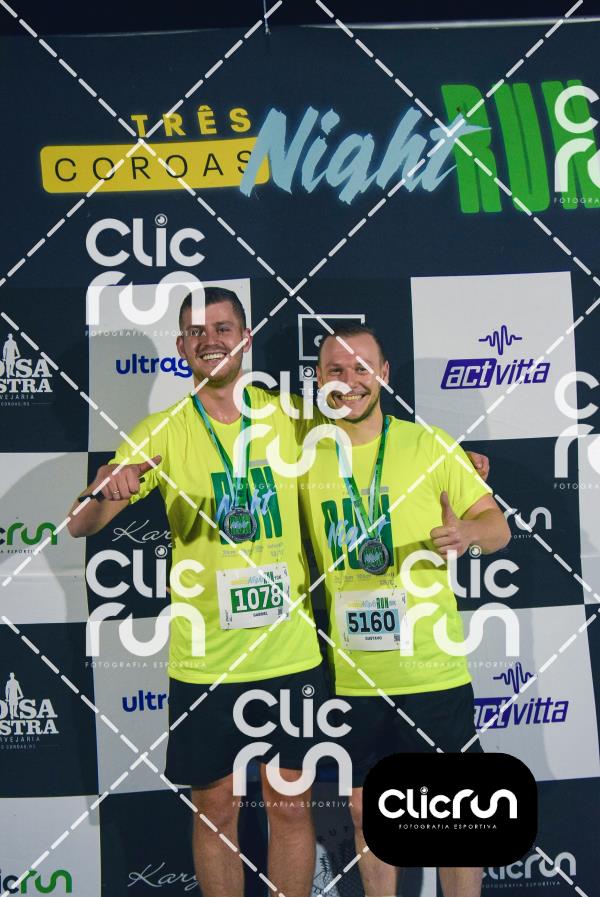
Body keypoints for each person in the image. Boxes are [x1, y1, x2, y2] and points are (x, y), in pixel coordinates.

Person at [67, 287, 328, 897]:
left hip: (290, 652)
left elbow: (370, 444)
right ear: (182, 346)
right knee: (215, 811)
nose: (210, 339)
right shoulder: (161, 430)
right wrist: (105, 488)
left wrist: (454, 461)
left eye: (223, 327)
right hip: (206, 659)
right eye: (196, 331)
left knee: (291, 807)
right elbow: (79, 524)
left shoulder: (291, 415)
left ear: (246, 338)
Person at [299, 323, 510, 897]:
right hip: (354, 674)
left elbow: (498, 528)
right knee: (367, 815)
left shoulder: (429, 445)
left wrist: (467, 533)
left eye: (362, 369)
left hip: (431, 671)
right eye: (336, 371)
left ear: (384, 375)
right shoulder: (300, 456)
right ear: (318, 380)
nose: (349, 381)